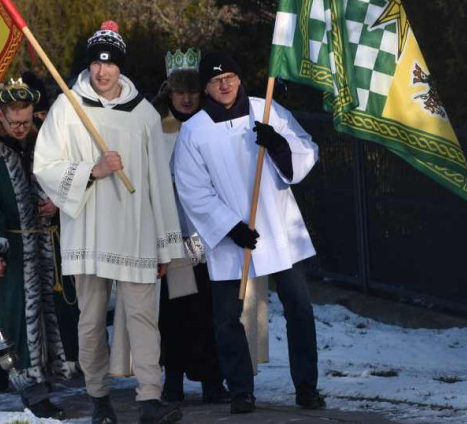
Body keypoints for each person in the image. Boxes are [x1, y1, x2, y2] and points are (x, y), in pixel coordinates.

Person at [33, 21, 184, 424]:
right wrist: (92, 171)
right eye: (97, 65)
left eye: (111, 65)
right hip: (89, 231)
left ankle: (150, 398)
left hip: (136, 232)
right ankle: (99, 397)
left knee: (143, 319)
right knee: (91, 320)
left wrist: (166, 246)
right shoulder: (69, 107)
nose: (103, 73)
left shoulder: (144, 116)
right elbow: (44, 164)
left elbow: (159, 184)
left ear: (121, 68)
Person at [173, 52, 325, 415]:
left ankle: (306, 387)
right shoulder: (194, 130)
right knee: (226, 316)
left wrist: (277, 146)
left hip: (277, 226)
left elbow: (308, 150)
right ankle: (240, 390)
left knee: (299, 308)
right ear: (206, 88)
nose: (224, 84)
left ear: (239, 78)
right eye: (215, 80)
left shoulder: (267, 109)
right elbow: (192, 188)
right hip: (231, 238)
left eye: (229, 75)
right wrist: (229, 227)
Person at [0, 79, 73, 419]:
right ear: (0, 116)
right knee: (16, 321)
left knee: (51, 315)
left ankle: (48, 380)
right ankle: (31, 390)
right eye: (15, 123)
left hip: (46, 243)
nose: (21, 128)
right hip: (12, 247)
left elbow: (60, 177)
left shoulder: (44, 141)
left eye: (26, 122)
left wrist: (56, 203)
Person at [151, 50, 230, 405]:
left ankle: (213, 378)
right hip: (173, 233)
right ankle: (174, 380)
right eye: (179, 92)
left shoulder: (214, 125)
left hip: (210, 233)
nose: (185, 98)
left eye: (192, 92)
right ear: (169, 93)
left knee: (211, 310)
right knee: (175, 311)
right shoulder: (154, 129)